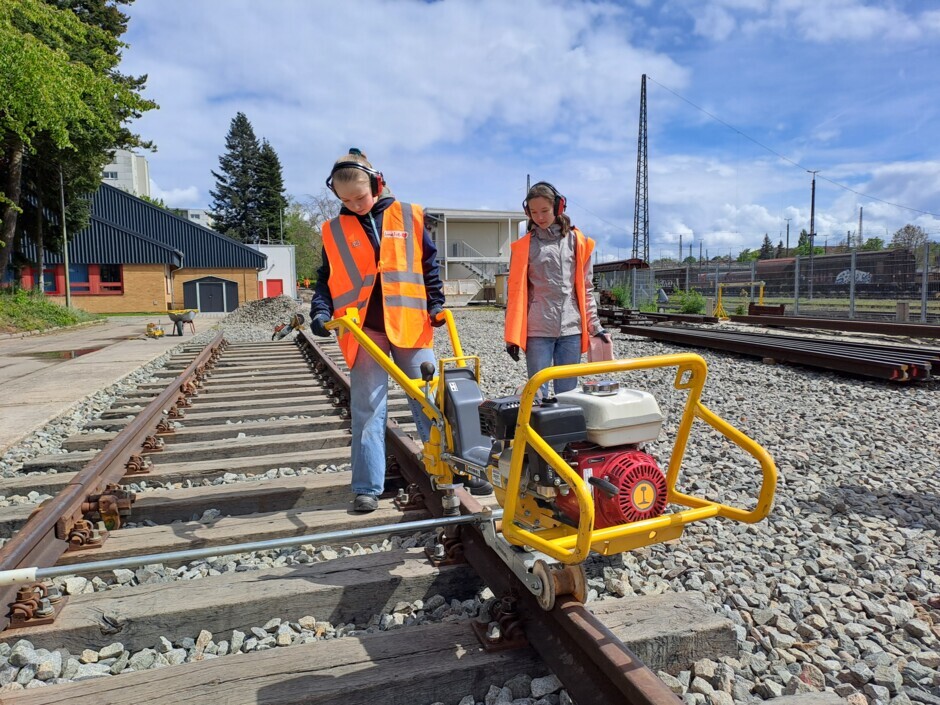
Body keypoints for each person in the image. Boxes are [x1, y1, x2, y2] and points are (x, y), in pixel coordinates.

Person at [309, 149, 492, 512]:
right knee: (367, 409)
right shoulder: (333, 230)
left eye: (360, 197)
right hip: (364, 330)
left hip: (410, 325)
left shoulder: (409, 215)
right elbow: (326, 279)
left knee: (432, 403)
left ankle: (462, 468)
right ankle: (366, 487)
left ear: (377, 184)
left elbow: (428, 265)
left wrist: (436, 303)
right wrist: (320, 310)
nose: (354, 205)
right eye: (345, 201)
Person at [504, 181, 609, 398]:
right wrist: (511, 337)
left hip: (571, 329)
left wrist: (595, 326)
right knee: (537, 392)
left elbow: (585, 289)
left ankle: (565, 421)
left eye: (544, 210)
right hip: (537, 330)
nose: (539, 217)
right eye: (534, 212)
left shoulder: (577, 242)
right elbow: (515, 294)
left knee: (568, 392)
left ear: (558, 207)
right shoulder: (524, 247)